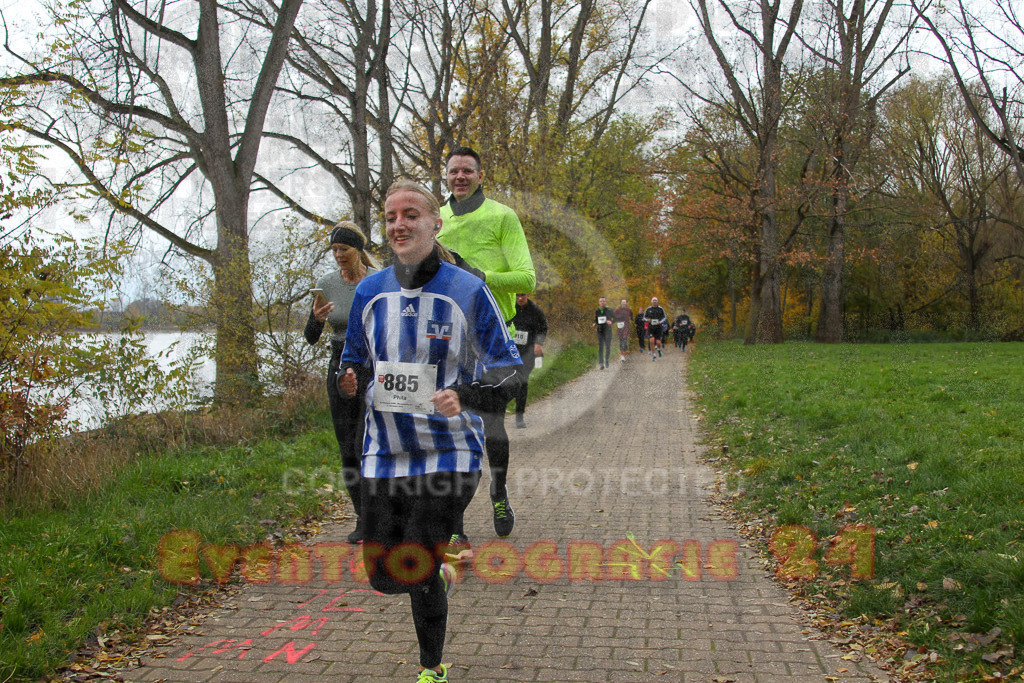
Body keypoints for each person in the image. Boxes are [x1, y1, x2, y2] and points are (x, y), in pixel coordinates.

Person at [338, 179, 522, 683]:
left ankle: (431, 668)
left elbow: (510, 370)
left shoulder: (468, 290)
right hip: (386, 451)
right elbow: (353, 360)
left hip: (451, 452)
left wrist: (466, 394)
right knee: (381, 575)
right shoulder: (369, 292)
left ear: (435, 223)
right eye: (391, 216)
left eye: (411, 214)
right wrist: (349, 381)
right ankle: (443, 570)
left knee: (417, 560)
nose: (400, 223)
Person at [438, 145, 536, 548]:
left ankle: (498, 492)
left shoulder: (502, 216)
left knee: (491, 422)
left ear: (481, 176)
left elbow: (526, 279)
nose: (460, 176)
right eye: (453, 171)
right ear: (445, 176)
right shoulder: (435, 218)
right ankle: (455, 520)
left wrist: (478, 276)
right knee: (450, 424)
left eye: (467, 171)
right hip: (446, 336)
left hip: (495, 336)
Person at [303, 221, 379, 544]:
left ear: (358, 249)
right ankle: (363, 517)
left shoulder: (378, 280)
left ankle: (382, 514)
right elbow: (309, 337)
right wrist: (316, 320)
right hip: (340, 365)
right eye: (333, 250)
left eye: (343, 249)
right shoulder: (326, 283)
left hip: (374, 365)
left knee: (371, 444)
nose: (338, 255)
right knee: (348, 447)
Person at [510, 292, 547, 428]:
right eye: (517, 295)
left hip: (528, 352)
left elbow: (543, 327)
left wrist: (539, 344)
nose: (520, 298)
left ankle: (519, 416)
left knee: (522, 382)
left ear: (528, 295)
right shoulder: (510, 307)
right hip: (511, 351)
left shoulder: (535, 310)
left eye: (523, 295)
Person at [593, 296, 615, 369]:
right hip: (600, 331)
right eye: (601, 301)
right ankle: (601, 363)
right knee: (601, 346)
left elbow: (615, 318)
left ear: (606, 302)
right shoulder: (597, 310)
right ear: (599, 303)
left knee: (608, 346)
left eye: (603, 301)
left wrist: (611, 321)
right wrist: (595, 323)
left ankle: (607, 359)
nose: (602, 302)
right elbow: (596, 319)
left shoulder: (609, 310)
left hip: (608, 331)